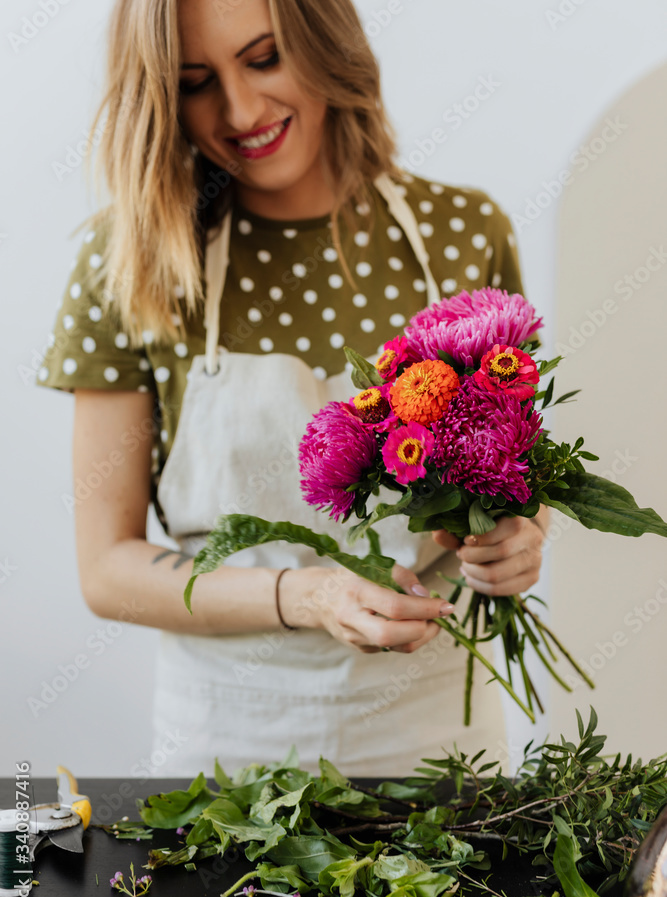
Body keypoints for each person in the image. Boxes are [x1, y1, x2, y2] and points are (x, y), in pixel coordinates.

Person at [37, 0, 547, 777]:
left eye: (265, 58)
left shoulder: (462, 233)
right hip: (228, 750)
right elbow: (107, 568)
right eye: (196, 82)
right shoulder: (131, 264)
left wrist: (521, 536)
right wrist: (305, 596)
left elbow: (519, 474)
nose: (240, 112)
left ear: (324, 43)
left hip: (435, 737)